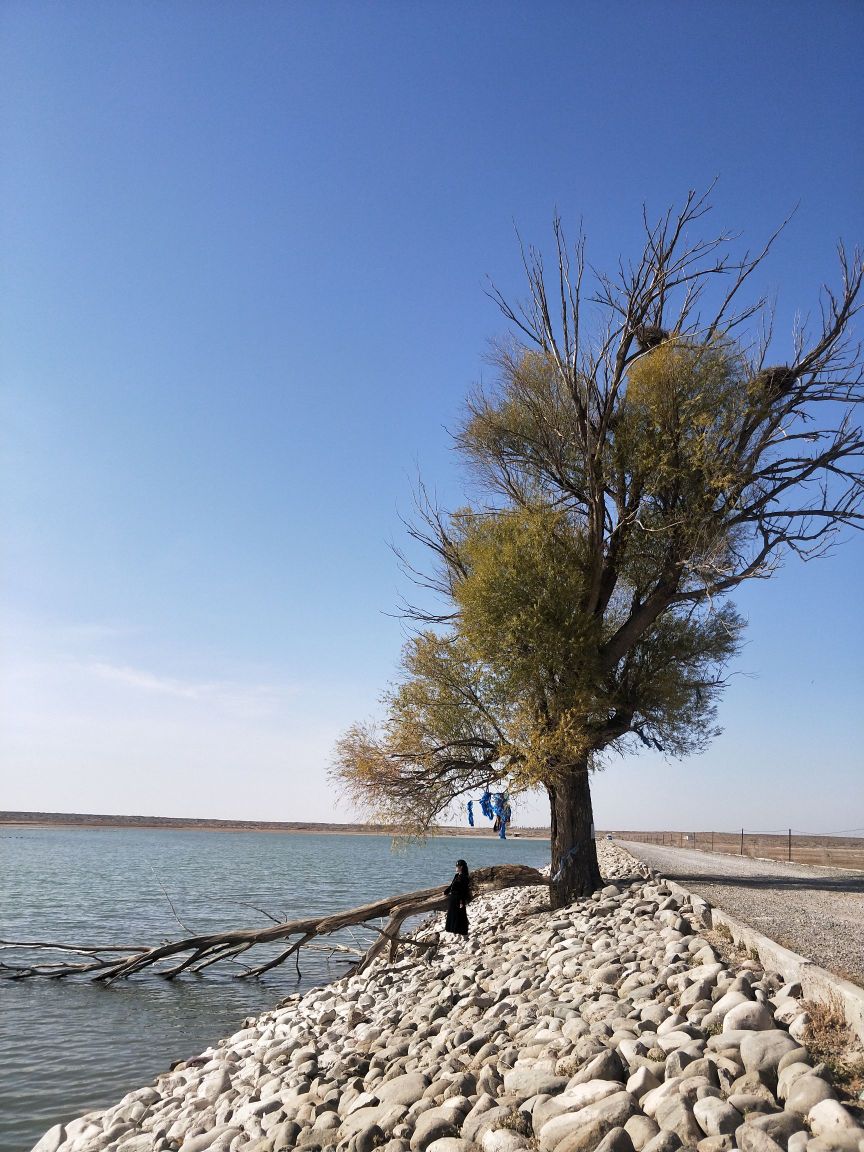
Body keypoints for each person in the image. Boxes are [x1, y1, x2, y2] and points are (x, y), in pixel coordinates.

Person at [444, 859, 471, 936]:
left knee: (460, 914)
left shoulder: (465, 877)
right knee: (452, 914)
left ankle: (461, 931)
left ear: (461, 867)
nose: (455, 867)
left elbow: (464, 890)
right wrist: (446, 891)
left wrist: (462, 901)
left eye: (457, 866)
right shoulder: (456, 875)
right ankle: (453, 930)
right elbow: (452, 885)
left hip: (459, 898)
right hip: (453, 897)